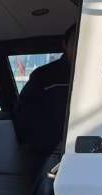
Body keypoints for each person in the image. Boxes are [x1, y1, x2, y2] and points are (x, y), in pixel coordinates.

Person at [14, 25, 77, 161]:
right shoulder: (44, 76)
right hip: (49, 152)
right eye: (76, 42)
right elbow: (24, 116)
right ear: (65, 45)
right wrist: (49, 144)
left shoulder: (97, 78)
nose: (81, 48)